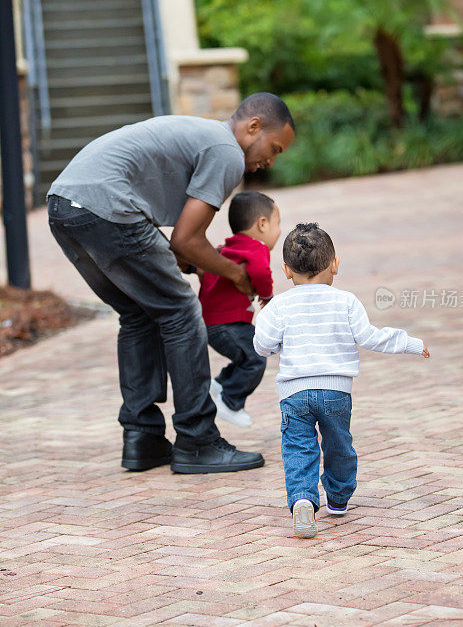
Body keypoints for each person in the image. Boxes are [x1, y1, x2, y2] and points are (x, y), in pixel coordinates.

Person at [46, 93, 295, 475]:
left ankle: (142, 438)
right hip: (107, 207)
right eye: (274, 148)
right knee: (181, 311)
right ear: (254, 127)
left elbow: (179, 251)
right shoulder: (227, 152)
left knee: (138, 312)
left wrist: (204, 267)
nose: (270, 162)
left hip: (65, 204)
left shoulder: (205, 137)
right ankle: (197, 440)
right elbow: (186, 241)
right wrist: (235, 274)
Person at [253, 222, 430, 538]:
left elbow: (262, 344)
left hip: (295, 394)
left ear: (286, 270)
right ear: (334, 263)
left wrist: (270, 332)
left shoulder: (279, 305)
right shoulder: (346, 301)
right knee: (339, 446)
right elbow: (370, 337)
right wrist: (411, 343)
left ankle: (303, 500)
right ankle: (338, 497)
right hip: (336, 392)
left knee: (298, 447)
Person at [199, 191, 281, 428]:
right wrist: (267, 296)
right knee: (256, 356)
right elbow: (260, 272)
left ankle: (222, 383)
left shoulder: (227, 248)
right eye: (278, 224)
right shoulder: (256, 248)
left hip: (211, 323)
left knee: (244, 355)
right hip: (228, 324)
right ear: (262, 224)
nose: (279, 231)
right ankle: (230, 402)